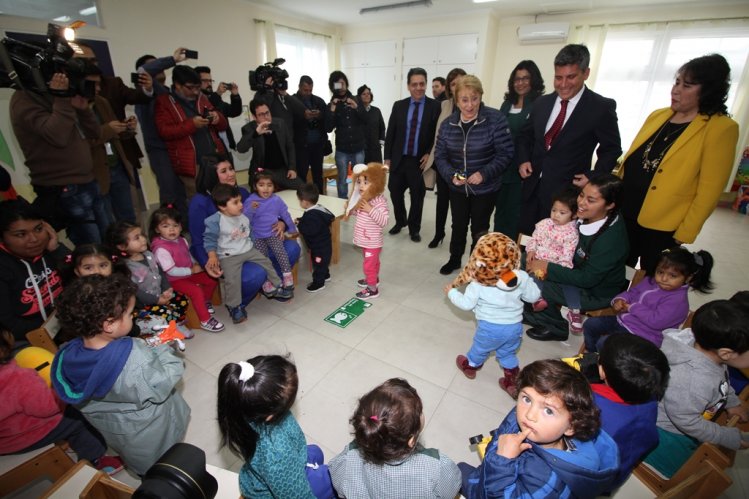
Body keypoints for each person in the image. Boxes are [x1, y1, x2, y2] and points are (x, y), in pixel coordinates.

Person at [51, 275, 190, 476]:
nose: (133, 317)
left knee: (147, 470)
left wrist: (146, 345)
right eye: (129, 314)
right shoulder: (134, 360)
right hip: (152, 432)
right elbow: (162, 382)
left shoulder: (66, 354)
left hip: (122, 434)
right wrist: (167, 350)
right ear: (109, 325)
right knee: (167, 467)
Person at [618, 54, 739, 274]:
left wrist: (686, 231)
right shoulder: (658, 116)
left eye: (687, 85)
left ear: (708, 90)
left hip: (663, 224)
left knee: (653, 277)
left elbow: (709, 190)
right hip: (626, 211)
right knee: (616, 268)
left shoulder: (720, 128)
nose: (676, 90)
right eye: (676, 82)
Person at [458, 359, 618, 499]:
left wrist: (501, 461)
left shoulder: (548, 482)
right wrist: (497, 460)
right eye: (527, 399)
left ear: (571, 426)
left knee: (453, 474)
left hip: (494, 484)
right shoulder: (529, 421)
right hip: (493, 473)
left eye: (548, 410)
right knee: (458, 470)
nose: (530, 414)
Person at [517, 44, 621, 236]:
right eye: (558, 77)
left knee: (556, 248)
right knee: (528, 240)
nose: (563, 84)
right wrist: (523, 159)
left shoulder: (600, 107)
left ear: (586, 73)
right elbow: (526, 136)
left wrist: (593, 176)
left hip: (566, 196)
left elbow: (612, 149)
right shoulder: (542, 103)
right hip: (532, 190)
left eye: (571, 77)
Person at [643, 300, 749, 478]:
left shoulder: (709, 353)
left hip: (686, 418)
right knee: (683, 473)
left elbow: (721, 380)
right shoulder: (694, 379)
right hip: (666, 434)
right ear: (726, 353)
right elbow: (687, 422)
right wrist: (725, 436)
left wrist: (731, 402)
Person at [0, 329, 124, 474]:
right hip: (27, 436)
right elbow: (48, 407)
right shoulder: (18, 378)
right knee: (79, 417)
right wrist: (61, 390)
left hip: (5, 442)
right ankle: (96, 459)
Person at [524, 174, 629, 342]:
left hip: (594, 291)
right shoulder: (585, 216)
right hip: (571, 269)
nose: (581, 202)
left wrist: (546, 266)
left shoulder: (610, 240)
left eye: (591, 200)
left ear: (610, 205)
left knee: (536, 281)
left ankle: (555, 327)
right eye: (582, 195)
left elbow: (587, 279)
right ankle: (532, 314)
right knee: (526, 261)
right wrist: (535, 253)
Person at [187, 154, 301, 307]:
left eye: (231, 169)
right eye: (224, 171)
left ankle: (270, 286)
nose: (231, 173)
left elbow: (270, 212)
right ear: (211, 176)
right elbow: (198, 241)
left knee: (292, 248)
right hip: (228, 254)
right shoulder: (199, 202)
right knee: (255, 274)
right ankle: (238, 305)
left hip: (253, 245)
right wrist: (209, 262)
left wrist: (282, 223)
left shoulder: (242, 192)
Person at [9, 73, 109, 244]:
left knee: (108, 238)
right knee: (93, 248)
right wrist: (62, 99)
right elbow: (57, 136)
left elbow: (95, 134)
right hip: (65, 187)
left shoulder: (56, 96)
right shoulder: (25, 98)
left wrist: (83, 110)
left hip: (88, 180)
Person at [217, 355, 334, 499]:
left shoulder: (244, 410)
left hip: (273, 470)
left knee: (316, 451)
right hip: (277, 488)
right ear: (271, 415)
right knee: (332, 479)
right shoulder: (277, 456)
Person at [434, 75, 514, 275]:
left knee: (479, 228)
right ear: (456, 99)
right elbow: (440, 155)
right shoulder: (448, 124)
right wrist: (452, 174)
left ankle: (475, 264)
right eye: (464, 99)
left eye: (474, 98)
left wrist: (484, 173)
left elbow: (506, 153)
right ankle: (454, 259)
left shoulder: (495, 119)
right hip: (458, 187)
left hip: (486, 188)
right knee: (458, 224)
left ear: (481, 96)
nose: (470, 105)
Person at [329, 378, 461, 498]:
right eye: (419, 412)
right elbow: (451, 489)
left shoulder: (348, 459)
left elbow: (338, 482)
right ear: (411, 440)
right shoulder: (437, 467)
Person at [445, 233, 540, 398]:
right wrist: (529, 281)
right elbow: (533, 297)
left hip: (489, 327)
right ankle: (511, 379)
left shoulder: (478, 282)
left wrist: (452, 292)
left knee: (481, 348)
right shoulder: (521, 277)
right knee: (508, 352)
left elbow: (466, 304)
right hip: (514, 327)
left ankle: (471, 366)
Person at [583, 247, 714, 352]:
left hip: (645, 338)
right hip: (624, 322)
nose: (664, 278)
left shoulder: (678, 301)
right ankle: (593, 356)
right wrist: (619, 300)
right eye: (660, 272)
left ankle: (603, 363)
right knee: (590, 324)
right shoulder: (649, 281)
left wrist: (631, 307)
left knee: (604, 344)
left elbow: (655, 321)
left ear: (688, 278)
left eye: (672, 275)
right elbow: (632, 293)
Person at [204, 184, 293, 324]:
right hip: (229, 256)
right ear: (222, 206)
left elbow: (250, 232)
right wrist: (212, 256)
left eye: (240, 201)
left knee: (266, 262)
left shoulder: (243, 216)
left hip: (248, 250)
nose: (241, 205)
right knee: (232, 280)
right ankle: (234, 306)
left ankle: (276, 286)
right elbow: (209, 239)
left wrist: (255, 245)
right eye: (235, 202)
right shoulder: (216, 220)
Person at [593, 334, 670, 491]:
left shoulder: (587, 404)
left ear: (601, 371)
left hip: (589, 477)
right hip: (617, 474)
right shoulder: (650, 400)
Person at [385, 67, 441, 243]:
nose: (419, 88)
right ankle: (400, 221)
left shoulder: (435, 106)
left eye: (422, 84)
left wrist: (429, 153)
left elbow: (437, 134)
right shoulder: (399, 105)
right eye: (414, 84)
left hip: (419, 161)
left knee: (417, 196)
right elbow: (390, 133)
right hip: (398, 159)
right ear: (408, 86)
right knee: (394, 191)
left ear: (426, 84)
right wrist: (387, 158)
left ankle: (414, 228)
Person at [155, 65, 228, 198]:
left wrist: (217, 118)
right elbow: (164, 131)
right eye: (191, 87)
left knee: (222, 198)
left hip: (213, 160)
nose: (195, 92)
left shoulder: (202, 98)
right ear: (177, 85)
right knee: (199, 202)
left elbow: (223, 125)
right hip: (192, 165)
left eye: (198, 87)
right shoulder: (165, 102)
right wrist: (192, 124)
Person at [106, 221, 192, 336]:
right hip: (143, 304)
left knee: (181, 300)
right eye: (137, 238)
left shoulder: (149, 254)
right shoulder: (125, 267)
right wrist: (156, 300)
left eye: (142, 235)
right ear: (121, 246)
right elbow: (135, 291)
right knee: (164, 312)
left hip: (159, 293)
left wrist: (167, 288)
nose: (142, 239)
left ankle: (178, 322)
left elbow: (160, 271)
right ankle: (171, 327)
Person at [149, 205, 225, 333]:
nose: (171, 230)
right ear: (157, 229)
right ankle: (205, 320)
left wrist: (196, 265)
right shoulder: (161, 249)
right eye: (165, 226)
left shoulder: (182, 239)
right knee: (195, 291)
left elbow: (188, 255)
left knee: (211, 279)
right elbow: (171, 271)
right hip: (174, 280)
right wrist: (191, 271)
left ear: (180, 226)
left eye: (175, 225)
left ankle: (206, 301)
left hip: (188, 272)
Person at [0, 200, 68, 342]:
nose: (34, 239)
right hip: (26, 341)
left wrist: (57, 249)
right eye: (21, 234)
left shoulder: (50, 251)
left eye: (38, 229)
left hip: (65, 327)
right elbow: (8, 324)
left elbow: (84, 281)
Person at [135, 48, 190, 221]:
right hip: (159, 150)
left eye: (159, 65)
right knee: (169, 192)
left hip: (176, 147)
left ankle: (183, 228)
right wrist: (172, 59)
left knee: (181, 190)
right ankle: (164, 231)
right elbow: (143, 72)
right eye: (154, 65)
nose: (158, 69)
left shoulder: (168, 91)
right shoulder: (144, 92)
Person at [495, 60, 545, 240]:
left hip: (524, 168)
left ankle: (513, 253)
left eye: (525, 78)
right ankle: (497, 249)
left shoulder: (540, 104)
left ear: (534, 80)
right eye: (517, 79)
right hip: (502, 167)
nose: (520, 83)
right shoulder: (507, 104)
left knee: (517, 213)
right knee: (500, 211)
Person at [85, 69, 138, 224]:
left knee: (128, 217)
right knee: (106, 221)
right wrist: (108, 129)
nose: (98, 88)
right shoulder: (71, 106)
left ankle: (134, 247)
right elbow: (77, 140)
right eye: (93, 84)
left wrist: (125, 128)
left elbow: (115, 133)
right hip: (95, 172)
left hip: (117, 166)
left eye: (99, 84)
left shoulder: (102, 102)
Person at [424, 68, 467, 249]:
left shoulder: (471, 104)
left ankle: (456, 242)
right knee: (442, 201)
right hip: (443, 164)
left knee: (458, 204)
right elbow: (435, 133)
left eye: (459, 82)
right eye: (452, 83)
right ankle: (439, 233)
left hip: (461, 167)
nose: (456, 86)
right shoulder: (445, 105)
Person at [526, 186, 580, 321]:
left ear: (574, 215)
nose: (555, 215)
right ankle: (537, 299)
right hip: (539, 261)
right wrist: (531, 250)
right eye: (554, 210)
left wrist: (557, 269)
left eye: (562, 213)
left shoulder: (571, 233)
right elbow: (534, 238)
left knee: (570, 285)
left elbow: (567, 255)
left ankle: (574, 310)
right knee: (533, 278)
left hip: (557, 266)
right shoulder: (545, 224)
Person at [243, 171, 298, 289]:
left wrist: (292, 228)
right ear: (255, 186)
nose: (266, 188)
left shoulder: (276, 200)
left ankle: (287, 277)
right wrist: (251, 209)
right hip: (257, 236)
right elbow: (244, 220)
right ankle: (266, 282)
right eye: (261, 185)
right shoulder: (250, 201)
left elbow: (285, 214)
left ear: (274, 186)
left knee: (282, 253)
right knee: (263, 260)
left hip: (273, 233)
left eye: (269, 185)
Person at [237, 100, 303, 191]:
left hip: (281, 171)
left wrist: (292, 168)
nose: (266, 117)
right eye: (261, 114)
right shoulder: (249, 129)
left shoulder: (280, 123)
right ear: (254, 117)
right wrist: (256, 133)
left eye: (267, 113)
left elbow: (290, 146)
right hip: (262, 171)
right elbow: (241, 149)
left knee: (303, 189)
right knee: (263, 197)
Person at [348, 163, 389, 300]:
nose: (361, 186)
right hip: (366, 240)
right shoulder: (364, 199)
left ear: (377, 184)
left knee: (368, 266)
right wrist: (353, 210)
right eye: (359, 182)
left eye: (366, 182)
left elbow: (384, 221)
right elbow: (360, 214)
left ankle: (372, 289)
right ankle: (373, 279)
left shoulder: (379, 202)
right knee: (373, 262)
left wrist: (370, 209)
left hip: (372, 241)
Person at [325, 71, 367, 199]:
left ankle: (358, 202)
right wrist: (332, 110)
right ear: (333, 87)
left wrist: (357, 108)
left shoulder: (356, 100)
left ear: (346, 84)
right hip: (342, 149)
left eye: (343, 83)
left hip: (358, 147)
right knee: (342, 179)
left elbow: (366, 120)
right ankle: (342, 203)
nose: (341, 87)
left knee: (360, 178)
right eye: (338, 84)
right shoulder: (332, 105)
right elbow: (328, 128)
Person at [296, 184, 334, 293]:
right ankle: (326, 275)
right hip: (325, 245)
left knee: (317, 265)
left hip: (318, 247)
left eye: (300, 200)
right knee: (323, 263)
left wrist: (300, 224)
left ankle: (318, 283)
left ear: (305, 202)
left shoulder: (311, 216)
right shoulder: (319, 209)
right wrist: (302, 220)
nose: (299, 202)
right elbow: (314, 222)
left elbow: (309, 231)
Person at [294, 76, 329, 194]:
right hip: (301, 146)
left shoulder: (318, 101)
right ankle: (302, 198)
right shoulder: (293, 101)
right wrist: (303, 117)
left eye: (310, 90)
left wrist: (319, 115)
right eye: (305, 90)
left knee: (318, 175)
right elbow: (289, 121)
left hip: (317, 145)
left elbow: (327, 117)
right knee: (301, 175)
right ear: (299, 87)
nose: (308, 93)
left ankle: (321, 197)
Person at [195, 66, 242, 151]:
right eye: (205, 81)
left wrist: (235, 95)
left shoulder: (216, 99)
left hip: (226, 148)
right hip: (210, 149)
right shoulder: (195, 102)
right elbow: (208, 107)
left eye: (210, 80)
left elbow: (235, 112)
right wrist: (218, 93)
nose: (209, 84)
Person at [357, 85, 386, 164]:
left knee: (376, 173)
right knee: (363, 174)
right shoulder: (356, 111)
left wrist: (381, 141)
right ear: (359, 97)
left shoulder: (376, 111)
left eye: (368, 93)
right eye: (364, 94)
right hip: (361, 150)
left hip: (375, 149)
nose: (367, 95)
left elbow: (382, 127)